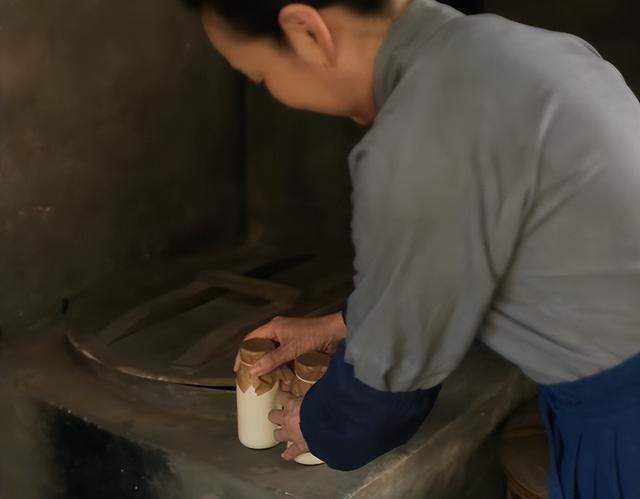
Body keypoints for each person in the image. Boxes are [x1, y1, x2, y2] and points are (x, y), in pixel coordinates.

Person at [181, 0, 640, 496]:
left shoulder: (419, 137)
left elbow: (383, 395)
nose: (274, 92)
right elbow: (482, 255)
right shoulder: (527, 50)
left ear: (306, 32)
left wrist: (319, 425)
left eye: (261, 76)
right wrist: (350, 323)